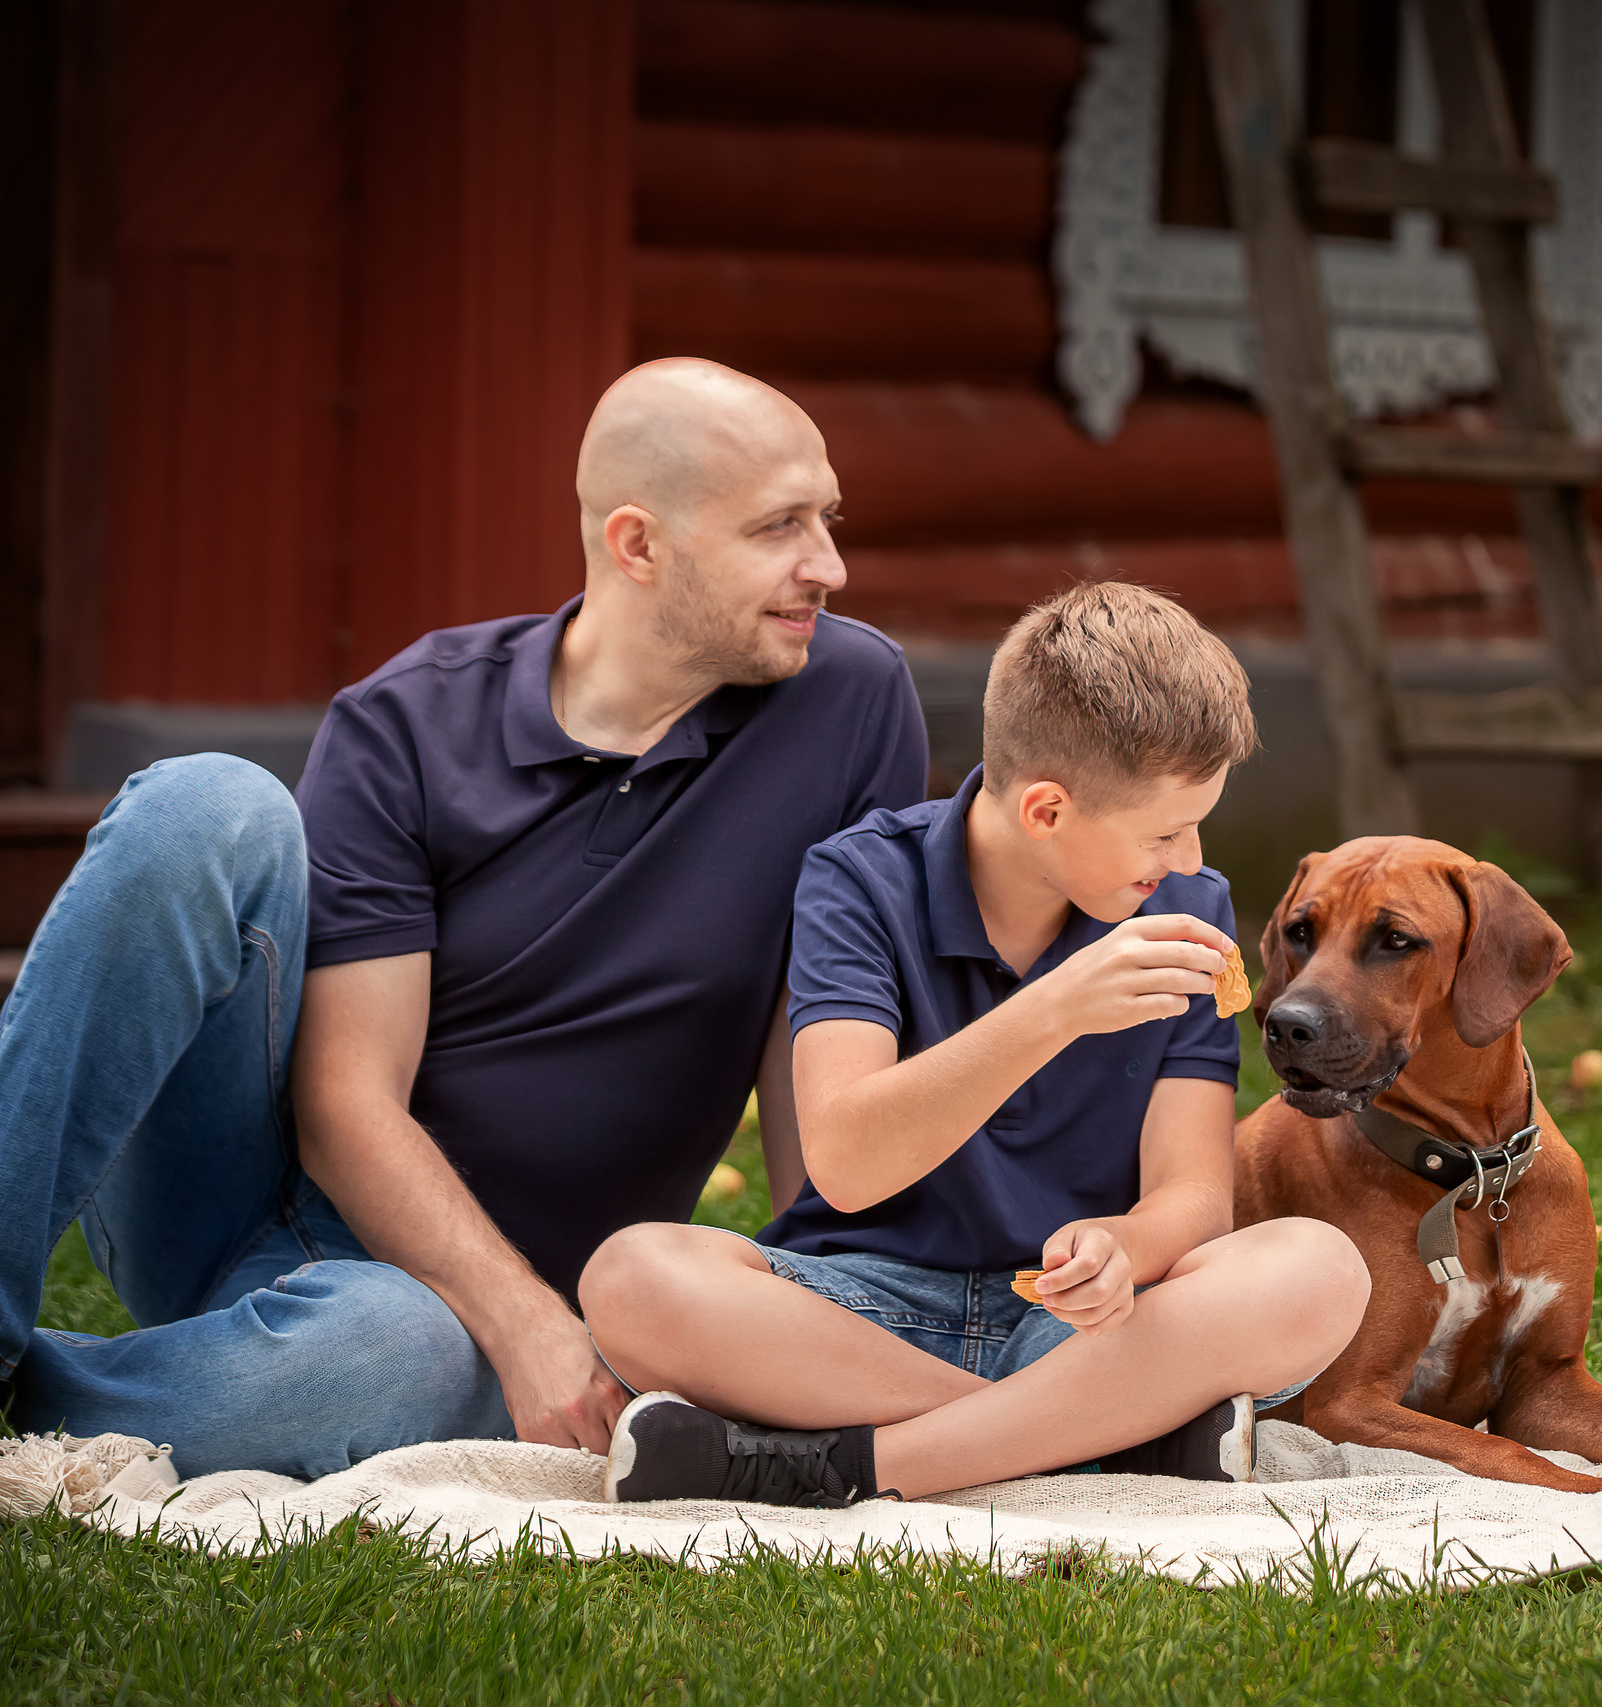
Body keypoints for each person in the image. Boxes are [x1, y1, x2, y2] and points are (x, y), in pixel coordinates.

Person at [0, 358, 928, 1477]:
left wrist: (828, 1295)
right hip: (246, 1192)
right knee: (208, 804)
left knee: (391, 1354)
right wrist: (527, 1324)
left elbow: (817, 1035)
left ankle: (69, 1391)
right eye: (780, 527)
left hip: (421, 1317)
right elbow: (346, 1103)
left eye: (828, 518)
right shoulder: (409, 724)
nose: (827, 565)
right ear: (637, 546)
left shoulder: (851, 700)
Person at [580, 582, 1371, 1505]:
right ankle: (1098, 1444)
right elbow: (844, 1163)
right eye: (1165, 830)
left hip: (1078, 1326)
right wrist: (1054, 1008)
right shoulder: (859, 879)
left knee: (1317, 1267)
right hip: (853, 1316)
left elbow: (1193, 1195)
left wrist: (1124, 1243)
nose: (1190, 859)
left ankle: (845, 1464)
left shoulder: (1189, 909)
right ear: (1046, 809)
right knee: (632, 1276)